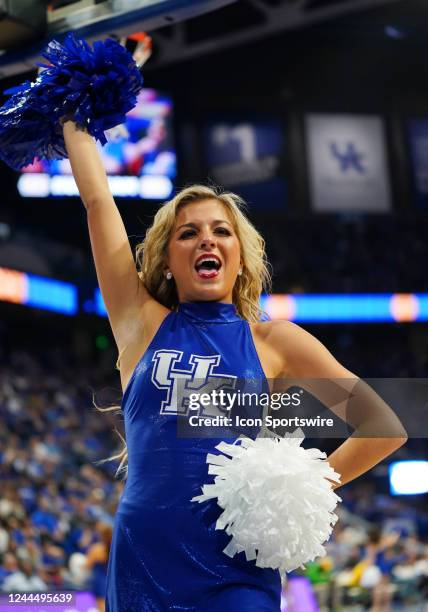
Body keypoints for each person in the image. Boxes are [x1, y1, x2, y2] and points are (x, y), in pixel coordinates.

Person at [62, 119, 407, 611]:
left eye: (221, 231)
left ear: (240, 258)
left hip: (236, 564)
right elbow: (98, 203)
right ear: (165, 261)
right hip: (144, 559)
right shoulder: (139, 323)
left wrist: (296, 490)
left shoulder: (277, 342)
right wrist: (75, 111)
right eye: (188, 233)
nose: (206, 240)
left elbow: (383, 426)